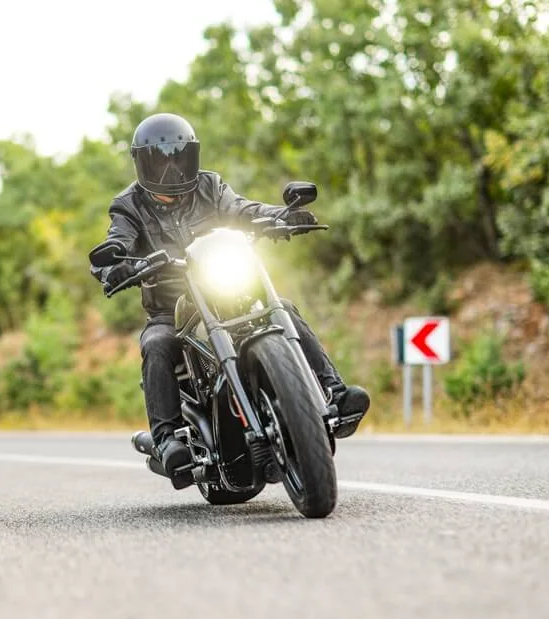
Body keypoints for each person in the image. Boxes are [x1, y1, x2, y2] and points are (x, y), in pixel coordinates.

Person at [89, 112, 370, 481]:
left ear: (191, 156)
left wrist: (281, 216)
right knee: (157, 342)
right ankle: (167, 438)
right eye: (161, 159)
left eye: (178, 157)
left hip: (225, 293)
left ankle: (332, 392)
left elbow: (242, 210)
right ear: (143, 162)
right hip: (172, 308)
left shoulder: (209, 187)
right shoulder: (129, 205)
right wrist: (116, 264)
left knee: (281, 308)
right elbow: (117, 240)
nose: (171, 168)